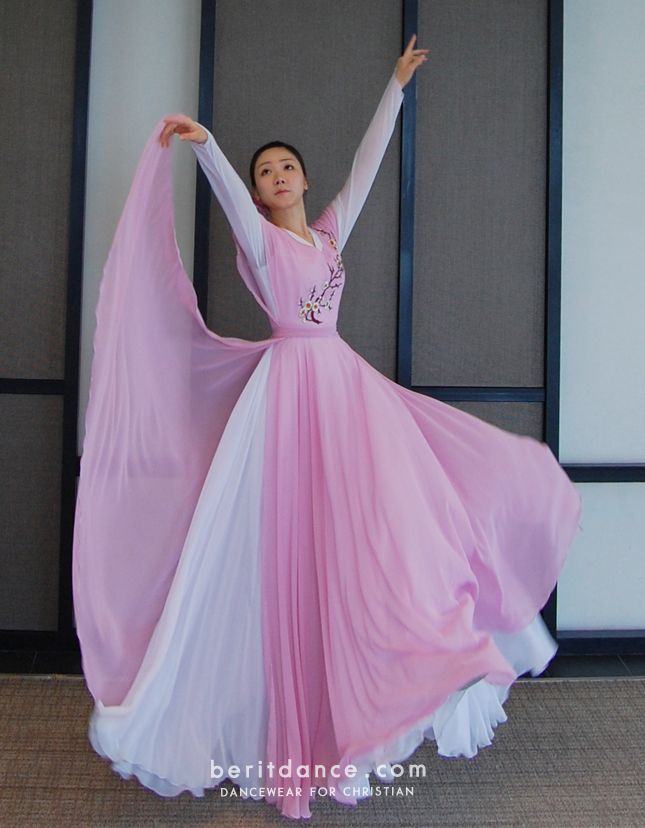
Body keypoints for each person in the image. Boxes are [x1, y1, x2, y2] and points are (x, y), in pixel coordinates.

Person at [73, 35, 582, 821]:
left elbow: (369, 165)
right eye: (264, 171)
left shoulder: (331, 234)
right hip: (286, 399)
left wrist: (396, 86)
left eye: (285, 168)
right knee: (283, 552)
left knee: (392, 535)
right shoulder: (264, 243)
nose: (275, 177)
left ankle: (403, 679)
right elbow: (231, 202)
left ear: (304, 179)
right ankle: (292, 728)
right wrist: (206, 146)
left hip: (346, 396)